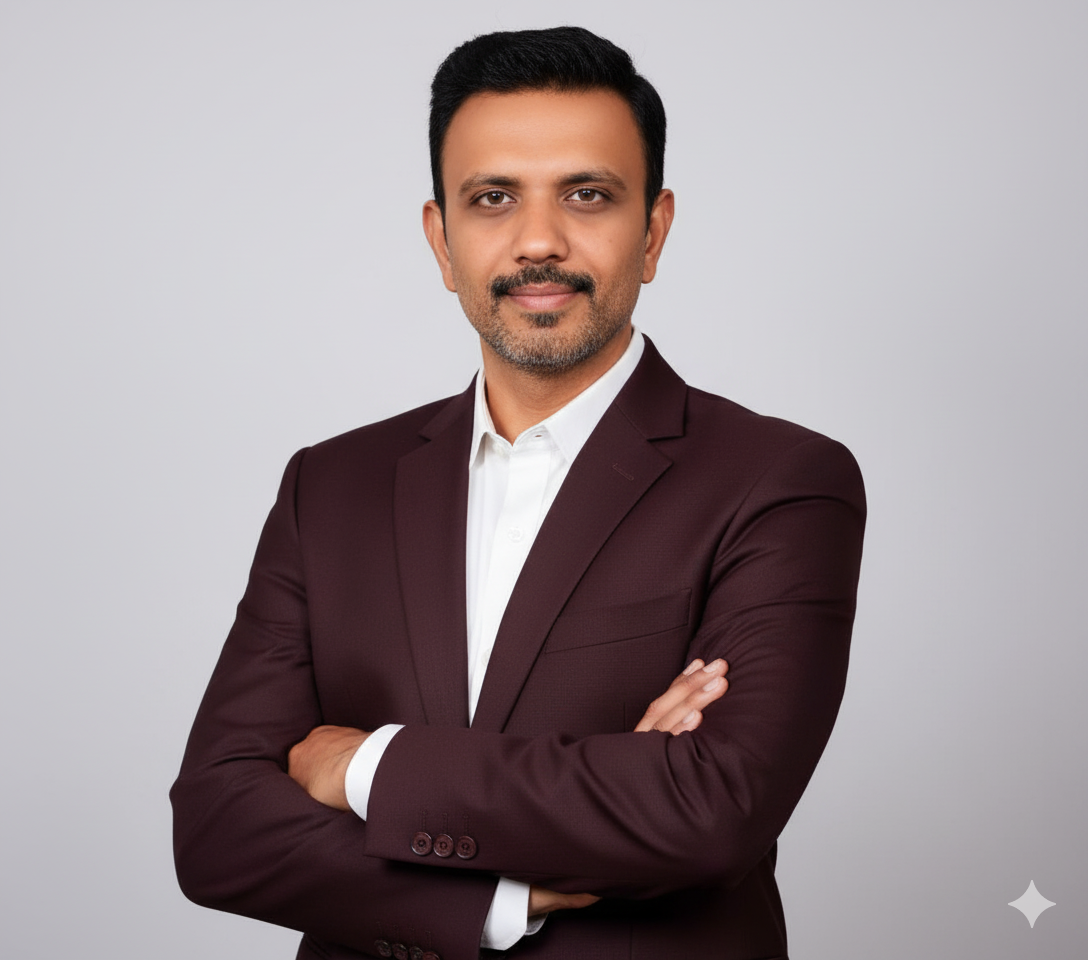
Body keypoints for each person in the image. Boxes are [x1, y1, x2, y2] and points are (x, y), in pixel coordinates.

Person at [171, 26, 865, 960]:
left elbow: (710, 808)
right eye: (493, 198)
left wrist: (365, 763)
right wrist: (504, 891)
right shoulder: (329, 486)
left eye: (588, 195)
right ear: (441, 240)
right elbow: (216, 827)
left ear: (654, 231)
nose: (539, 241)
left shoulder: (781, 481)